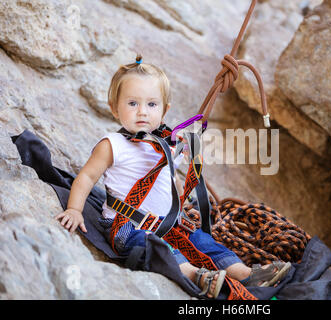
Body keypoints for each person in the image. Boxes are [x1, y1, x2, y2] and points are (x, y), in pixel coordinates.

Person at [55, 54, 291, 299]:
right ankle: (195, 276)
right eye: (132, 103)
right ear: (115, 108)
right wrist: (74, 209)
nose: (142, 112)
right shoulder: (112, 144)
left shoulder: (168, 144)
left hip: (168, 225)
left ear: (165, 110)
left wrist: (181, 202)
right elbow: (86, 177)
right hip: (126, 226)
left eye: (152, 104)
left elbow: (170, 179)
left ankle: (244, 273)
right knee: (155, 247)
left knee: (202, 241)